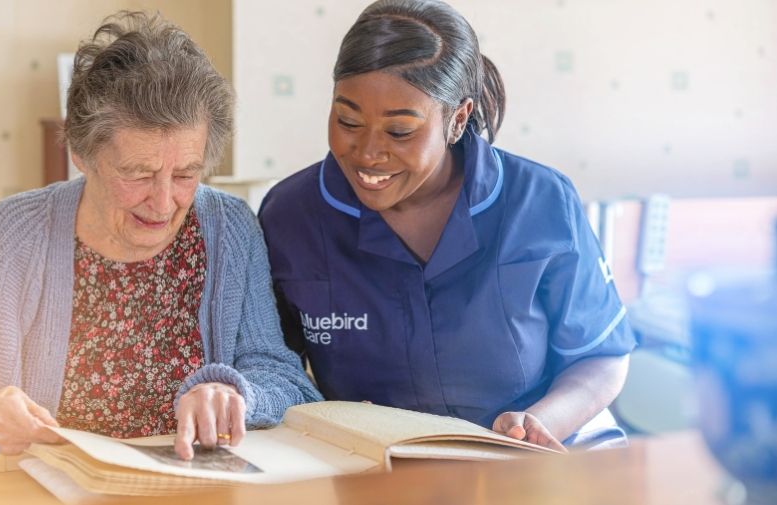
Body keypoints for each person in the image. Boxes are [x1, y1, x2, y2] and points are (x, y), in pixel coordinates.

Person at [0, 11, 320, 480]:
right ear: (81, 153)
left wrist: (234, 394)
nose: (163, 202)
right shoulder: (15, 234)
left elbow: (289, 383)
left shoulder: (230, 227)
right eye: (138, 173)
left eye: (185, 174)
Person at [259, 0, 635, 450]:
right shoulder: (291, 216)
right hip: (371, 466)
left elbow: (601, 357)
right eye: (348, 121)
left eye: (400, 131)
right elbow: (269, 365)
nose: (367, 153)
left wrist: (536, 425)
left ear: (457, 119)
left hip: (535, 455)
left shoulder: (540, 201)